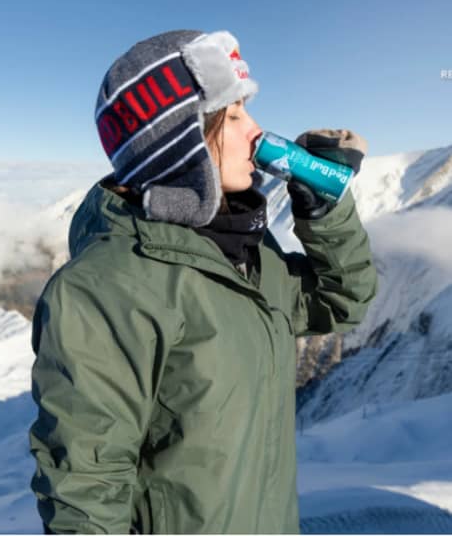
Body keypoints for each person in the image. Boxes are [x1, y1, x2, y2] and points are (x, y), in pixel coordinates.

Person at [29, 29, 378, 534]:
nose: (256, 131)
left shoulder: (245, 254)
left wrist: (325, 211)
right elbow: (85, 493)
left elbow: (342, 304)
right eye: (232, 115)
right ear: (178, 144)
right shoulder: (104, 289)